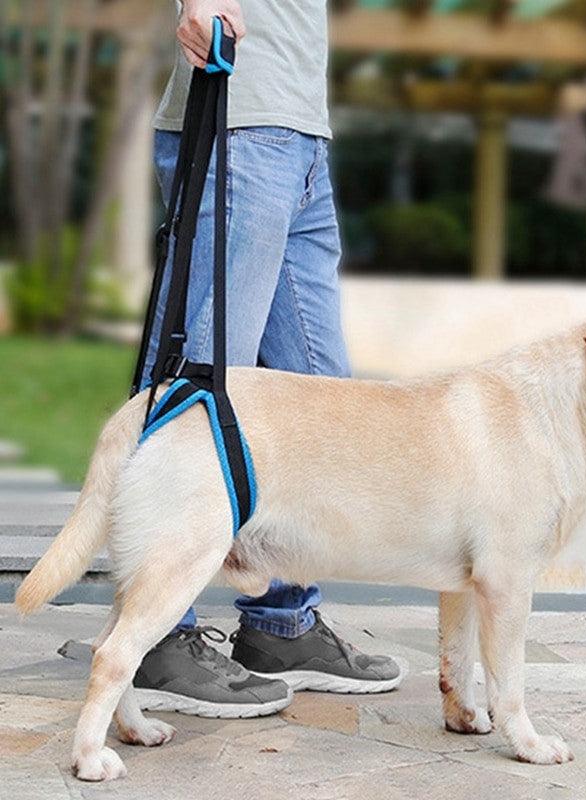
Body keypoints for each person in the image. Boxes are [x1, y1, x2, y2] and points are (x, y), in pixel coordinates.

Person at [132, 0, 402, 718]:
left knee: (322, 400)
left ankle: (282, 624)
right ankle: (158, 635)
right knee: (198, 392)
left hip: (299, 133)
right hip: (240, 124)